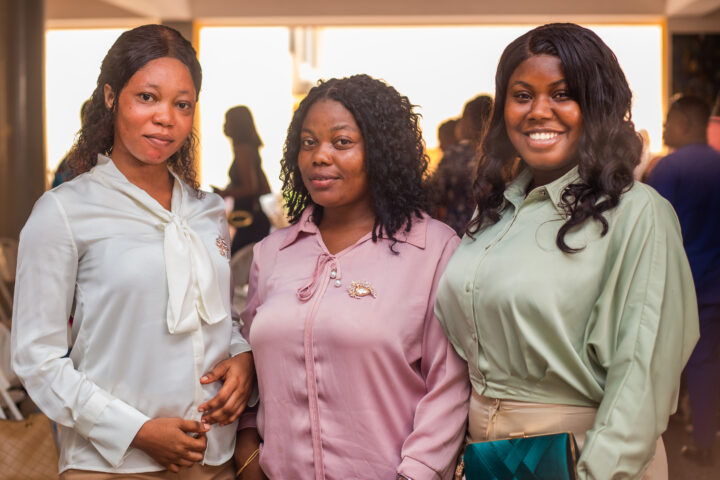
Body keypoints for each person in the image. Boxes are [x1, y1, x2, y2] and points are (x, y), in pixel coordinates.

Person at [435, 23, 699, 480]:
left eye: (563, 94)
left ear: (597, 106)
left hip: (589, 461)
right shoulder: (495, 212)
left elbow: (640, 385)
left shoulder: (638, 213)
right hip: (488, 462)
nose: (539, 111)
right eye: (522, 95)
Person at [11, 24, 254, 479]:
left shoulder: (206, 210)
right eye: (147, 97)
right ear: (111, 96)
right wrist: (134, 431)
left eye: (182, 104)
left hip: (212, 460)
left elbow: (219, 318)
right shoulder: (64, 211)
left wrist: (242, 357)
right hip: (112, 465)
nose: (166, 117)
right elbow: (36, 359)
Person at [234, 74, 469, 480]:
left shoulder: (432, 249)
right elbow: (250, 369)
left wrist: (417, 473)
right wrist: (247, 449)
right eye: (308, 143)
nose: (319, 156)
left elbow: (450, 384)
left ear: (381, 151)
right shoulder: (272, 253)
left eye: (341, 142)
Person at [646, 94, 720, 466]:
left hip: (679, 286)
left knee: (667, 358)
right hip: (714, 284)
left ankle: (666, 434)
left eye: (669, 121)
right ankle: (704, 438)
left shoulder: (669, 168)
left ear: (687, 123)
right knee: (707, 362)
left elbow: (649, 229)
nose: (664, 128)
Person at [429, 95, 493, 235]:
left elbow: (435, 194)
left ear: (468, 122)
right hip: (491, 232)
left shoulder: (456, 153)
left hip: (457, 232)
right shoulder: (502, 155)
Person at [213, 106, 272, 255]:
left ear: (236, 124)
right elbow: (264, 188)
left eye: (227, 121)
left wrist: (225, 193)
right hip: (255, 219)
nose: (224, 126)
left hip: (250, 223)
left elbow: (250, 188)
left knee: (237, 264)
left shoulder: (243, 150)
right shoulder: (251, 150)